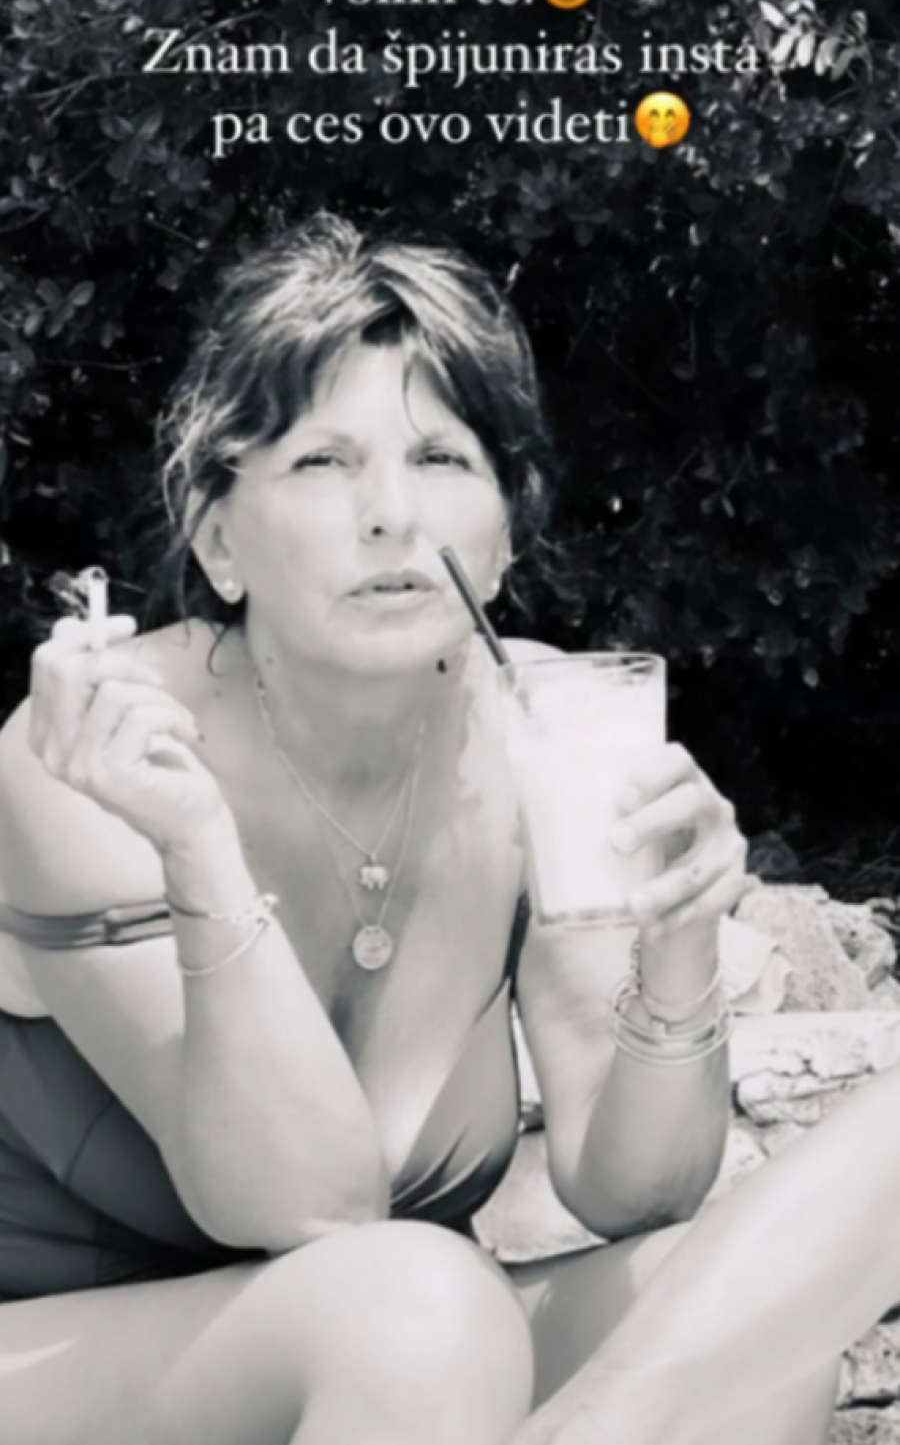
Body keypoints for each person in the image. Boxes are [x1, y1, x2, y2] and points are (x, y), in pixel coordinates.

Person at [0, 212, 847, 1444]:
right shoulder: (96, 749)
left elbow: (636, 1193)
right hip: (51, 1358)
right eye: (321, 463)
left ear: (504, 536)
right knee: (416, 1306)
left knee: (733, 1334)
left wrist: (678, 942)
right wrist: (197, 848)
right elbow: (306, 1205)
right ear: (219, 538)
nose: (392, 515)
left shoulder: (553, 732)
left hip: (401, 1372)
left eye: (442, 458)